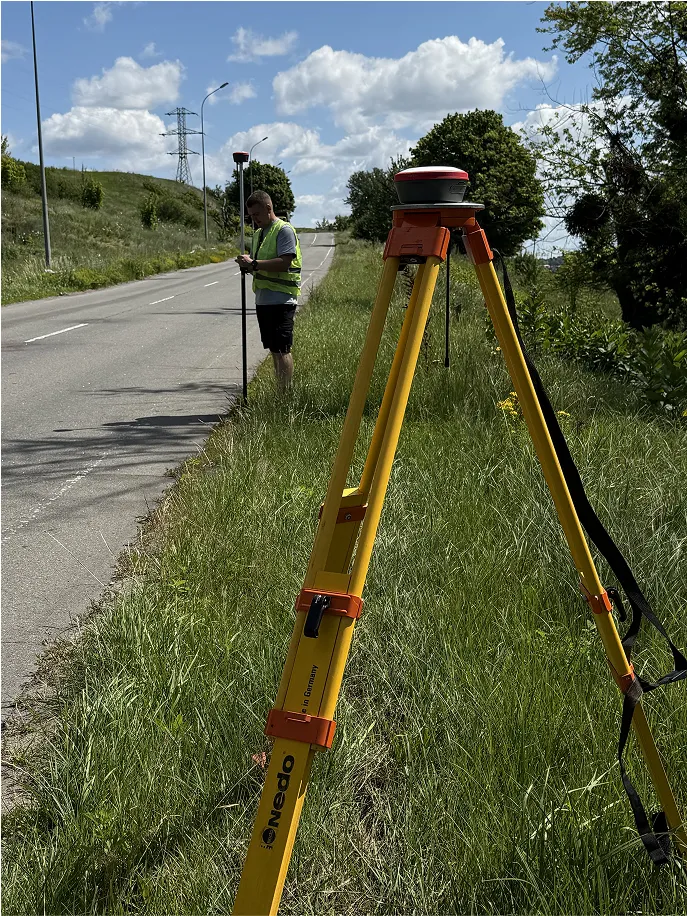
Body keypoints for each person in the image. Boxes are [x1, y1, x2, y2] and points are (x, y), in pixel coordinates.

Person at [235, 190, 302, 390]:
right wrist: (247, 265)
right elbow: (260, 263)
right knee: (274, 350)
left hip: (282, 300)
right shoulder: (258, 234)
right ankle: (280, 391)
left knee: (282, 349)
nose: (253, 220)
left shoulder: (284, 230)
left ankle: (285, 395)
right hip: (263, 299)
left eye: (256, 215)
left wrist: (254, 264)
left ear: (268, 208)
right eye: (250, 216)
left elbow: (284, 262)